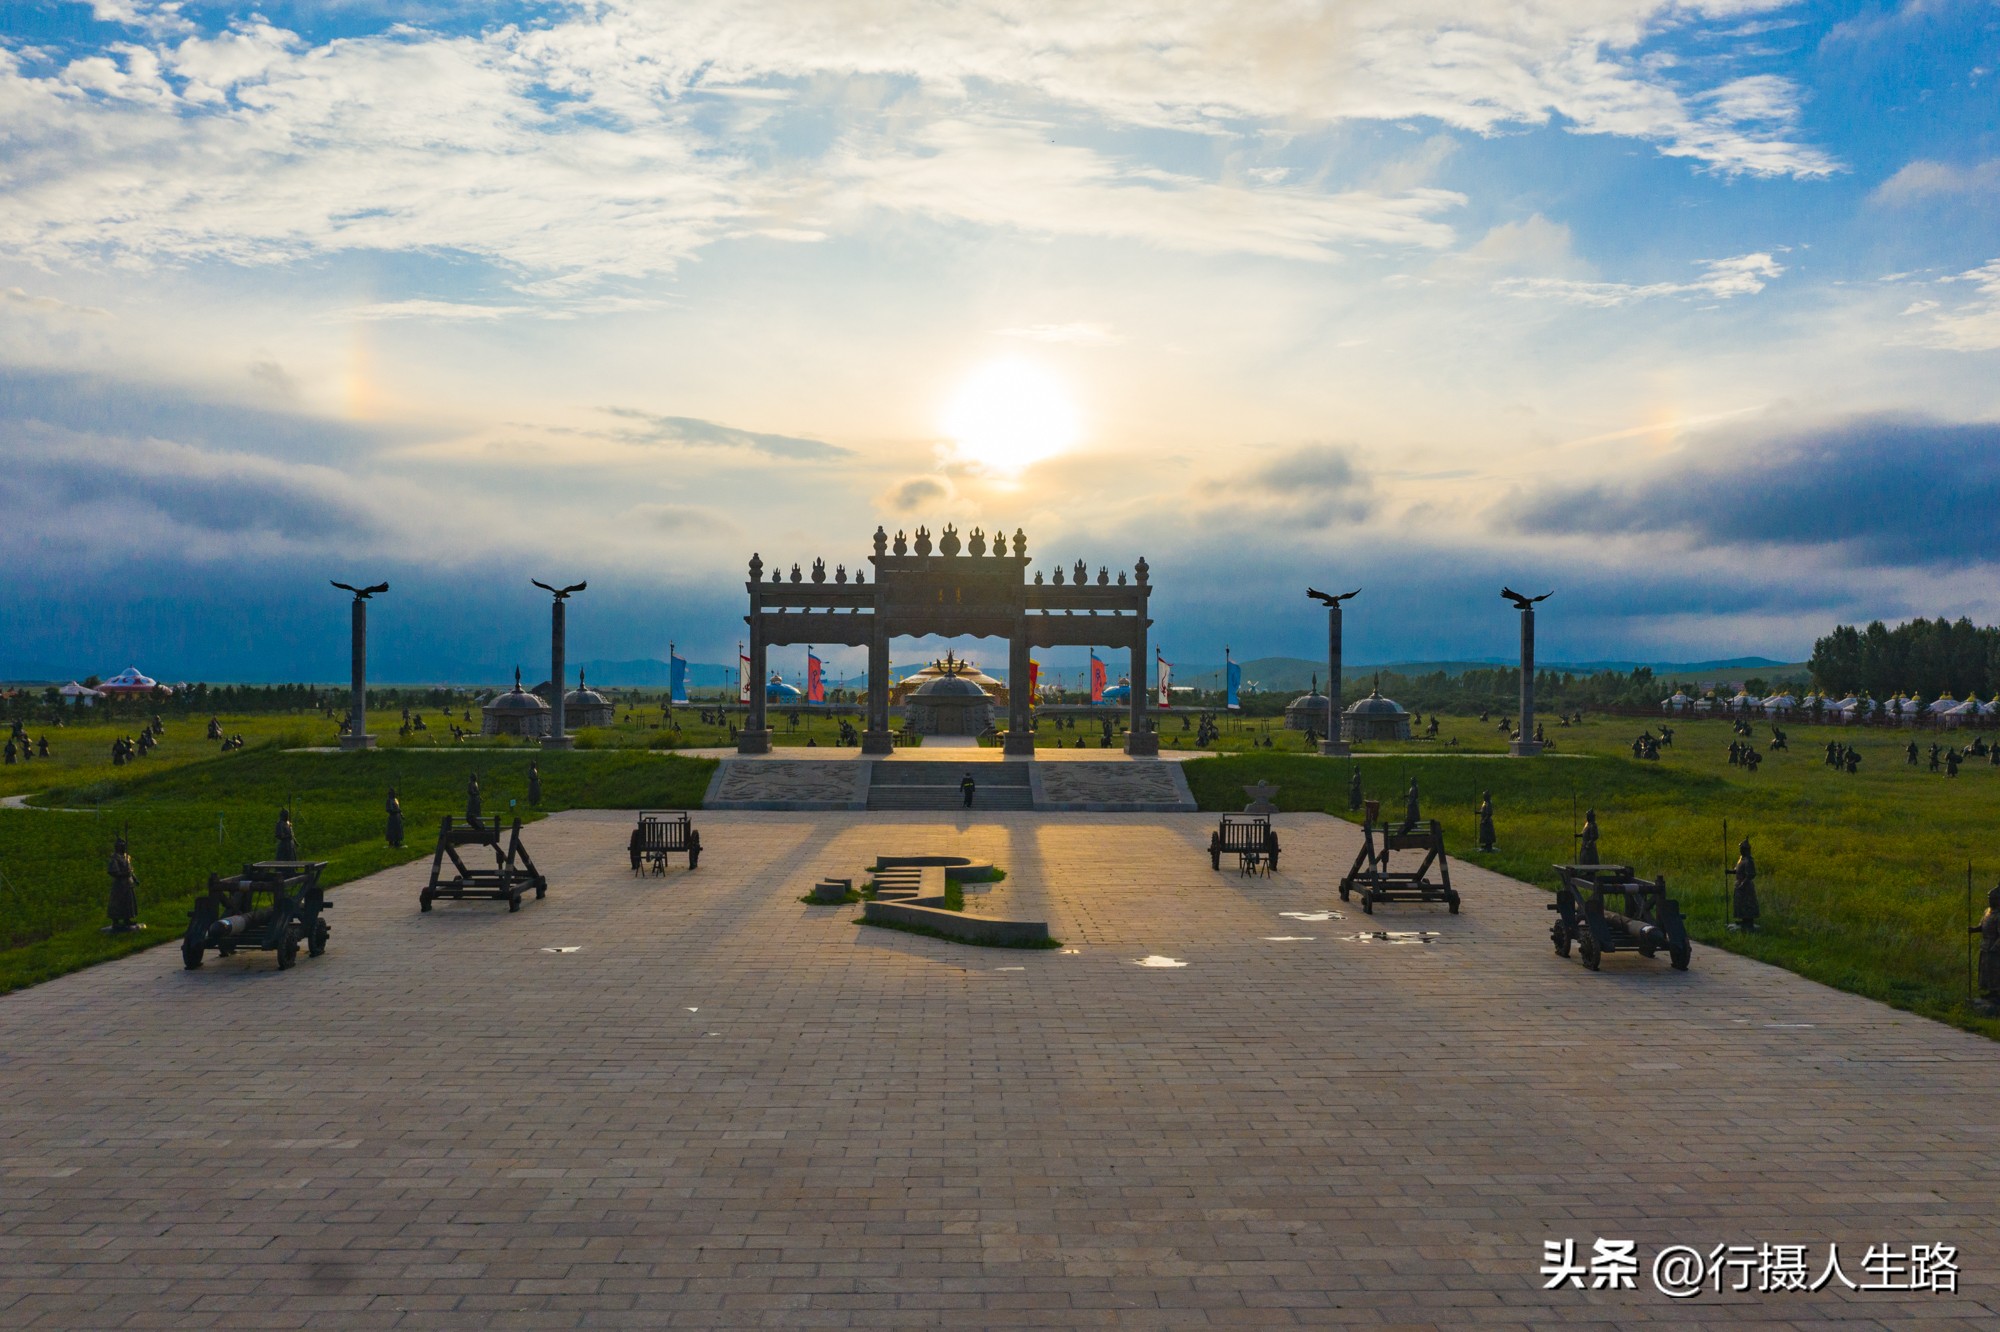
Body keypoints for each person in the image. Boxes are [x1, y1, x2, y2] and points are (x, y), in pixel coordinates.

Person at [1973, 885, 2000, 1014]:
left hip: (1994, 947)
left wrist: (1996, 947)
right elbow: (1982, 926)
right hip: (1985, 945)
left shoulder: (1999, 915)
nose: (1991, 901)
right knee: (1985, 970)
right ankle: (1989, 991)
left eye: (1993, 898)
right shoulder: (1988, 912)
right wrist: (1974, 929)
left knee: (1994, 970)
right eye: (1989, 898)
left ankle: (1996, 992)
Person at [105, 836, 139, 932]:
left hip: (128, 883)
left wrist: (135, 879)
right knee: (117, 902)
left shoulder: (126, 857)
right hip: (120, 884)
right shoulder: (115, 858)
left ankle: (127, 919)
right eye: (122, 846)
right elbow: (113, 872)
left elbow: (130, 870)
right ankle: (115, 921)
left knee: (128, 902)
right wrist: (123, 874)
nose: (124, 848)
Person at [1731, 838, 1759, 931]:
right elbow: (1738, 870)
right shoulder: (1741, 859)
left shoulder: (1749, 861)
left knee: (1748, 904)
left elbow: (1751, 874)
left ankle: (1748, 922)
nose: (1741, 850)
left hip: (1746, 886)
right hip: (1739, 885)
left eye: (1742, 849)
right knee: (1741, 904)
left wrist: (1743, 883)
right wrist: (1730, 871)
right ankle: (1743, 920)